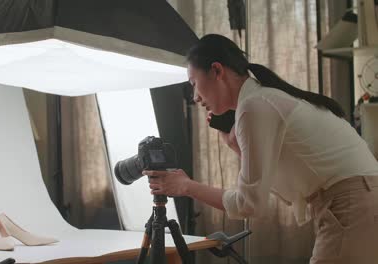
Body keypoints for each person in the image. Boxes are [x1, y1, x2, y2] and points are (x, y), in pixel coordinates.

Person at [143, 34, 378, 264]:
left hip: (351, 204)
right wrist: (235, 145)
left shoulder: (254, 107)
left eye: (194, 84)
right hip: (360, 200)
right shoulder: (263, 98)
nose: (194, 97)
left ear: (217, 70)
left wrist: (187, 186)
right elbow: (276, 184)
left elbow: (250, 204)